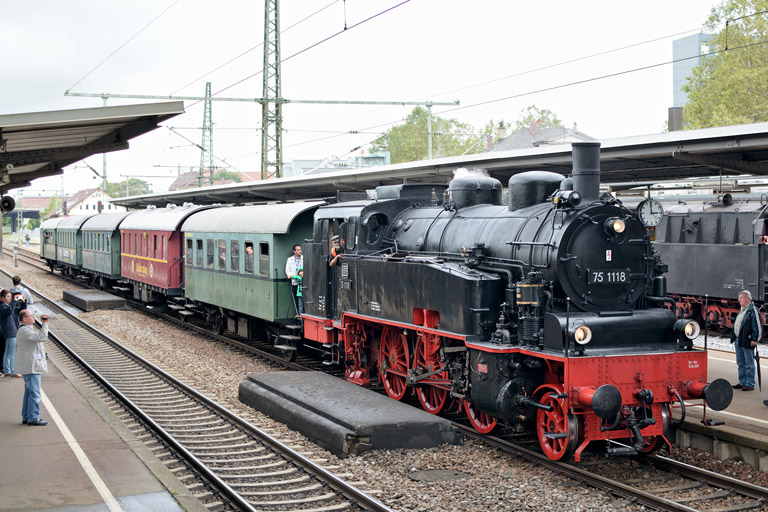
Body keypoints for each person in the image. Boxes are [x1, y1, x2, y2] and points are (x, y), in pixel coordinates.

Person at [16, 310, 50, 426]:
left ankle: (26, 417)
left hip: (30, 365)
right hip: (31, 367)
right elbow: (42, 336)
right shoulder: (25, 331)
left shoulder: (26, 330)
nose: (34, 317)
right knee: (34, 393)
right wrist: (45, 323)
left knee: (29, 392)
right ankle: (33, 418)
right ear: (24, 319)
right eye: (31, 316)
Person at [731, 290, 761, 392]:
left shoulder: (753, 310)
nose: (739, 300)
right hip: (739, 339)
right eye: (739, 298)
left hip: (747, 340)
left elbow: (757, 326)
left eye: (741, 298)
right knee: (740, 362)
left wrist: (754, 339)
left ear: (748, 298)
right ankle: (742, 382)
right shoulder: (742, 309)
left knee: (749, 363)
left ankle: (750, 384)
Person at [0, 289, 24, 378]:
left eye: (10, 296)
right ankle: (13, 371)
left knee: (7, 352)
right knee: (12, 352)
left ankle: (7, 371)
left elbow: (19, 310)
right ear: (2, 298)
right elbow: (9, 310)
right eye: (8, 296)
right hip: (10, 331)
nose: (10, 298)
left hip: (11, 331)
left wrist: (23, 302)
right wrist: (14, 301)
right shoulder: (2, 307)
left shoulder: (9, 306)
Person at [285, 244, 303, 314]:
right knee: (297, 299)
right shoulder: (290, 259)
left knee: (301, 300)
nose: (300, 251)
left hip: (302, 282)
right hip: (294, 282)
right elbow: (287, 271)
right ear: (294, 251)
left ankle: (301, 313)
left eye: (300, 249)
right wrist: (292, 276)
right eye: (298, 250)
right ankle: (298, 313)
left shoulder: (304, 258)